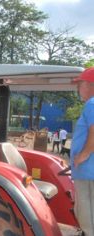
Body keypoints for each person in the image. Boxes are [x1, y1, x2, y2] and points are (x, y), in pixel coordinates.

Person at [71, 67, 94, 235]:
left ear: (89, 84)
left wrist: (82, 156)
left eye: (80, 84)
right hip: (87, 170)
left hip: (88, 171)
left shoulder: (92, 104)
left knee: (87, 214)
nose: (78, 88)